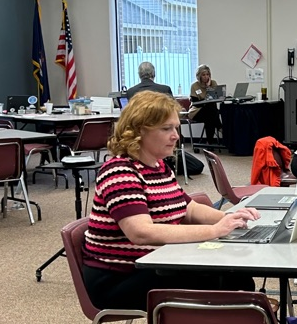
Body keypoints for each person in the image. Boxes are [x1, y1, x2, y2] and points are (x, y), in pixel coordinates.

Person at [82, 91, 259, 311]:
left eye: (176, 128)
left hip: (156, 263)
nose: (176, 135)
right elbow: (141, 232)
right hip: (118, 278)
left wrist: (228, 218)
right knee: (222, 281)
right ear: (138, 131)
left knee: (235, 276)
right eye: (166, 128)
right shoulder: (119, 172)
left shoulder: (159, 166)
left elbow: (188, 209)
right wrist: (215, 231)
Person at [188, 64, 222, 144]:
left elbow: (215, 99)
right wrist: (206, 101)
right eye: (203, 75)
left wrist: (208, 87)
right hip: (196, 111)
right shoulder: (194, 86)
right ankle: (220, 127)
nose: (206, 77)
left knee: (210, 116)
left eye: (207, 74)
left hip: (210, 111)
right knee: (211, 111)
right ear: (199, 76)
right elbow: (196, 103)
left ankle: (210, 142)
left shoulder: (213, 83)